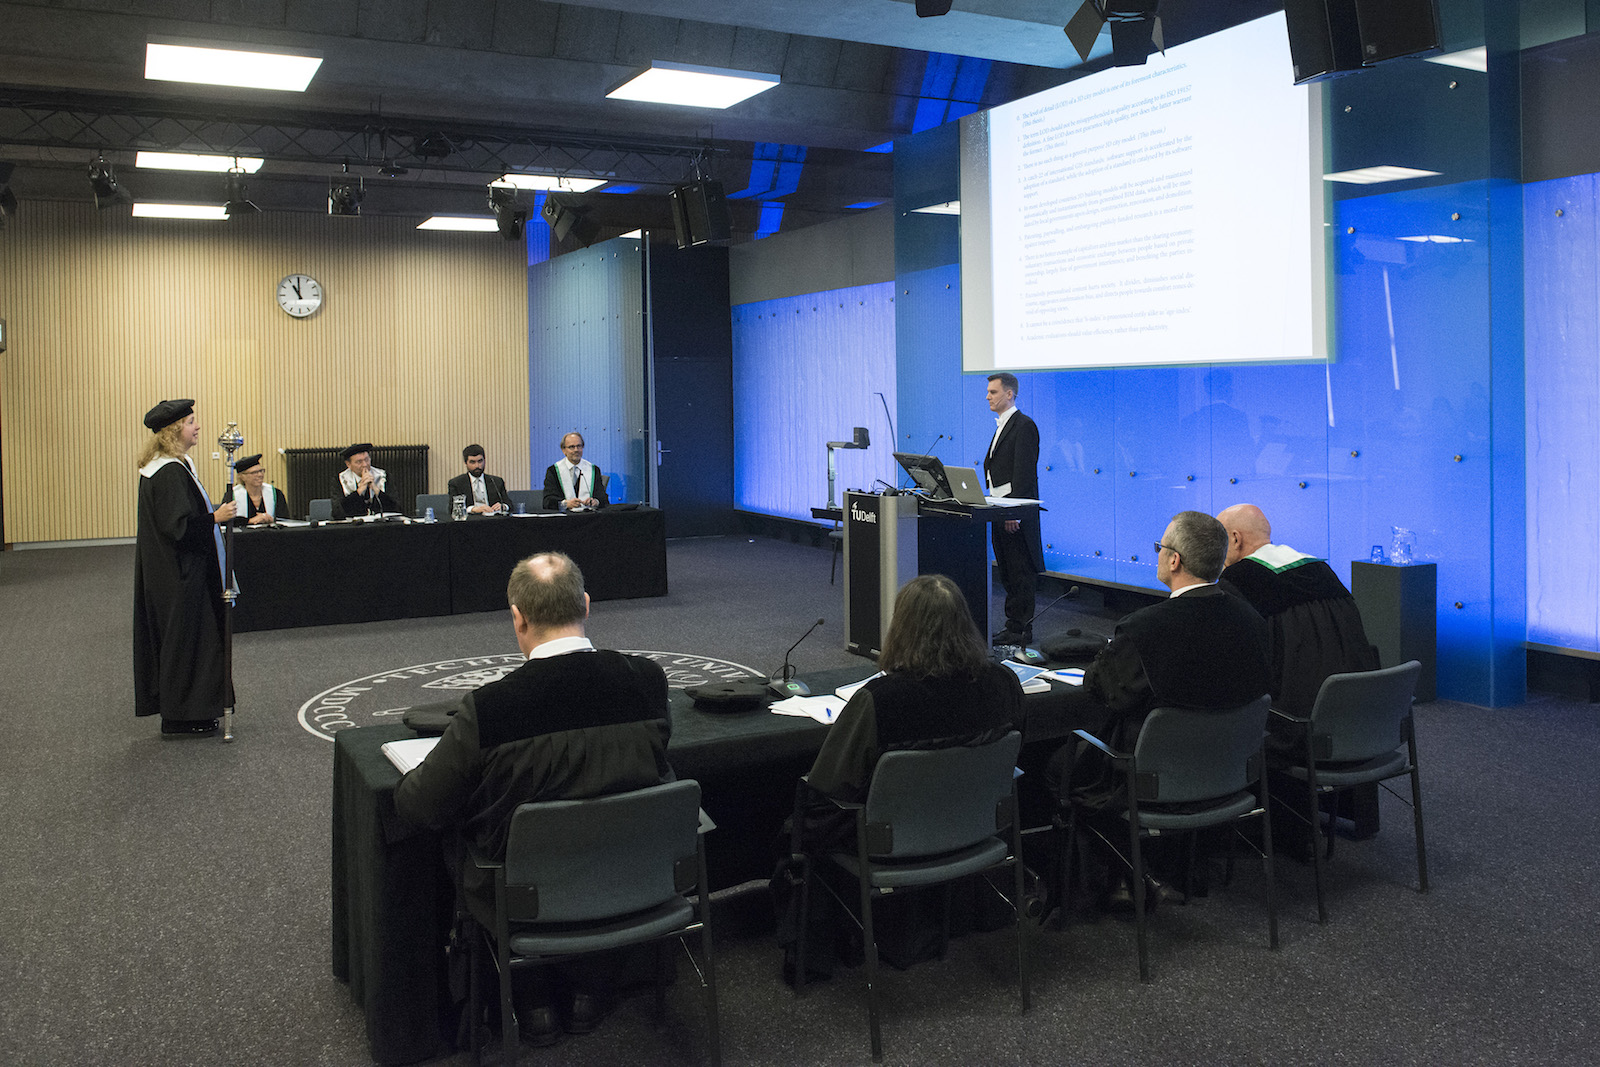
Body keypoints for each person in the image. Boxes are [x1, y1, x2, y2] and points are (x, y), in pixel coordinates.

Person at [394, 551, 670, 1044]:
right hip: (630, 876)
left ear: (518, 617)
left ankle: (532, 1001)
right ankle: (591, 988)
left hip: (521, 897)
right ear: (586, 605)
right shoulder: (648, 682)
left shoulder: (489, 709)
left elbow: (419, 806)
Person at [776, 573, 1023, 979]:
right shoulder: (1004, 683)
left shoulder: (879, 700)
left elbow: (827, 783)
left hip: (888, 842)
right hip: (976, 828)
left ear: (901, 628)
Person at [1046, 511, 1270, 902]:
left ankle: (1114, 877)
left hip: (1152, 778)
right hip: (1229, 772)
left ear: (1174, 560)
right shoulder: (1253, 619)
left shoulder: (1146, 628)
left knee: (1056, 765)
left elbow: (1105, 690)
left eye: (1159, 548)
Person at [1215, 503, 1380, 721]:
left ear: (1236, 539)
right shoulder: (1321, 570)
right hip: (1358, 708)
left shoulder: (1240, 581)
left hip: (1293, 719)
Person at [133, 398, 236, 736]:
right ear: (174, 430)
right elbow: (179, 528)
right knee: (188, 643)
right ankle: (183, 716)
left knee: (191, 642)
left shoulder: (174, 466)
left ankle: (191, 712)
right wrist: (216, 517)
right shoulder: (167, 473)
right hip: (180, 575)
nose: (197, 427)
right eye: (191, 422)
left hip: (177, 572)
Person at [982, 372, 1043, 645]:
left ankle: (1020, 629)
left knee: (1019, 571)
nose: (988, 397)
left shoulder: (1024, 425)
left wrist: (1014, 512)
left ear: (1009, 394)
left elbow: (1024, 474)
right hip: (999, 508)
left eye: (993, 392)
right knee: (1007, 569)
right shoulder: (1002, 425)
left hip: (1013, 511)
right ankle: (1012, 625)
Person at [542, 432, 609, 511]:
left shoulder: (594, 470)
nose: (576, 450)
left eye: (579, 446)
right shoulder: (553, 471)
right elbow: (547, 501)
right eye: (572, 447)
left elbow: (603, 499)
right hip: (565, 516)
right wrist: (565, 504)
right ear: (564, 450)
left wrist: (596, 502)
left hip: (588, 515)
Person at [331, 442, 399, 518]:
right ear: (348, 464)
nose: (365, 464)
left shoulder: (384, 476)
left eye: (367, 460)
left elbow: (396, 508)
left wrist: (376, 489)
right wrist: (359, 491)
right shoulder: (340, 480)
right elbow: (337, 512)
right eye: (359, 462)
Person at [227, 453, 289, 526]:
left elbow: (285, 519)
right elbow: (225, 520)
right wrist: (249, 521)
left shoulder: (276, 493)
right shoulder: (232, 495)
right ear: (243, 477)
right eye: (254, 472)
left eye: (261, 471)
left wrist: (272, 520)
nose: (260, 475)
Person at [446, 443, 510, 514]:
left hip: (493, 518)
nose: (477, 466)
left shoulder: (496, 481)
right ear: (465, 463)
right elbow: (452, 508)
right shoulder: (456, 483)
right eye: (472, 462)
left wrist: (503, 506)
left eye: (480, 461)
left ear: (484, 460)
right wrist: (473, 509)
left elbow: (509, 504)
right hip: (470, 519)